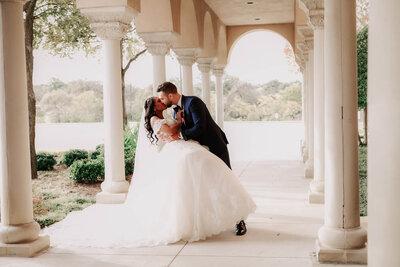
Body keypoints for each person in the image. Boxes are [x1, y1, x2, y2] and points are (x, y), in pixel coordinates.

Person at [43, 97, 255, 248]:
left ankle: (226, 213)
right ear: (154, 108)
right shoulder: (155, 120)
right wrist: (180, 121)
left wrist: (179, 120)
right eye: (159, 102)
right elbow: (170, 133)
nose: (163, 103)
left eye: (162, 100)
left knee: (202, 168)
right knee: (195, 163)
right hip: (176, 148)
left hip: (180, 146)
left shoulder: (167, 113)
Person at [157, 82, 247, 235]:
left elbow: (200, 127)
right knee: (206, 186)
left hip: (215, 147)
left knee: (227, 183)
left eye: (162, 98)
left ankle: (240, 221)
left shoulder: (193, 102)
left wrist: (180, 135)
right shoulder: (175, 112)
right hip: (199, 152)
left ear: (170, 95)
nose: (162, 102)